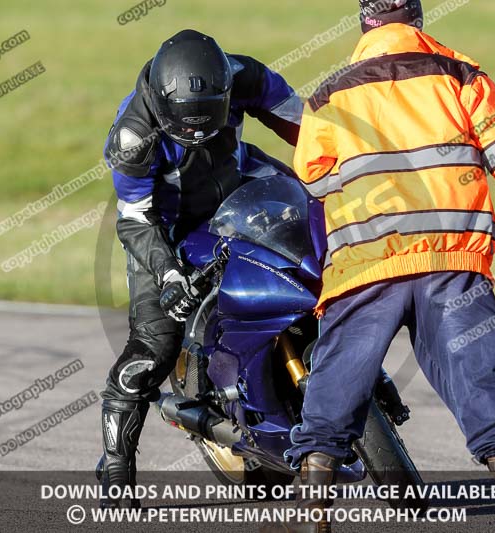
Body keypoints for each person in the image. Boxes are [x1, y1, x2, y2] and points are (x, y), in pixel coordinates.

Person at [273, 1, 495, 531]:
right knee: (480, 372)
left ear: (365, 22)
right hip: (452, 259)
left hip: (367, 263)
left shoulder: (330, 95)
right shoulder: (464, 76)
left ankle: (312, 510)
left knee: (339, 375)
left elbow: (313, 176)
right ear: (416, 17)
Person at [97, 29, 302, 508]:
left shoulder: (244, 75)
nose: (196, 135)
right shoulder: (132, 137)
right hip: (164, 224)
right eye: (185, 127)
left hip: (237, 181)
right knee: (154, 346)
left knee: (313, 214)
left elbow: (306, 126)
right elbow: (134, 219)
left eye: (207, 122)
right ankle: (114, 467)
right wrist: (169, 275)